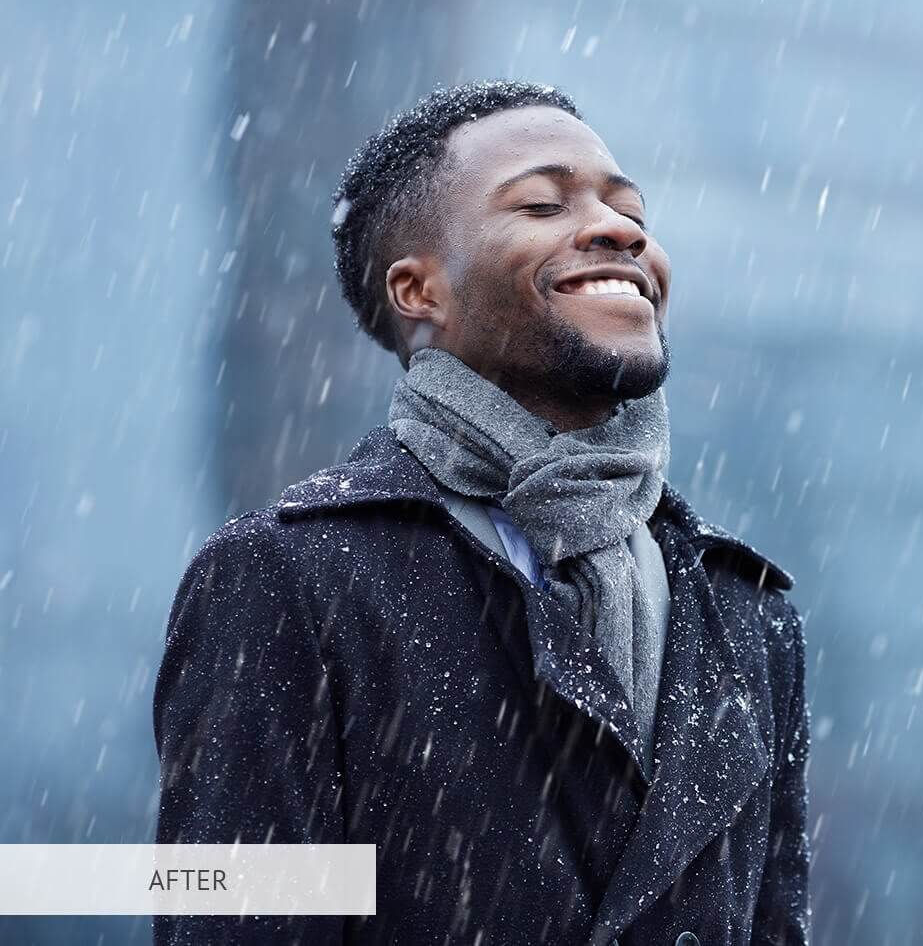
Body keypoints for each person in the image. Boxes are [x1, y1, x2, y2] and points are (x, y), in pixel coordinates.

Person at [153, 79, 811, 946]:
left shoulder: (747, 615)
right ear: (418, 291)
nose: (622, 231)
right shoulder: (286, 581)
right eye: (541, 203)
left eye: (631, 210)